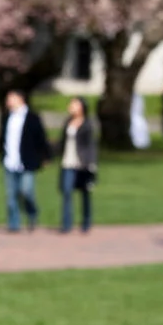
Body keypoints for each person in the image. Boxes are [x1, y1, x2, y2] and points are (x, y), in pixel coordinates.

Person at [0, 89, 52, 233]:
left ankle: (32, 213)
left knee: (26, 191)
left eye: (11, 98)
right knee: (11, 195)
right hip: (10, 161)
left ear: (20, 99)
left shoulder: (32, 117)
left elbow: (41, 138)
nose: (8, 101)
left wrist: (46, 156)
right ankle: (14, 224)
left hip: (27, 162)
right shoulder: (6, 117)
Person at [57, 96, 100, 234]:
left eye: (74, 104)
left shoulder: (87, 124)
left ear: (82, 106)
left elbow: (91, 146)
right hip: (67, 162)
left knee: (84, 193)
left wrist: (91, 163)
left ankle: (86, 221)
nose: (71, 106)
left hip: (82, 163)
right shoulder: (68, 122)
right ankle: (66, 223)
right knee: (67, 191)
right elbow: (61, 142)